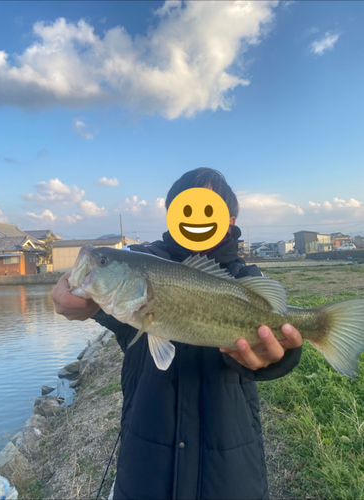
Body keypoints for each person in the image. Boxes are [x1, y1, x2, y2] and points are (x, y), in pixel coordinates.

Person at [52, 168, 303, 500]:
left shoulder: (245, 277)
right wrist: (82, 302)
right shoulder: (146, 262)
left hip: (230, 472)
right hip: (147, 470)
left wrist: (279, 358)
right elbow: (106, 307)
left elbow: (272, 346)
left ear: (230, 220)